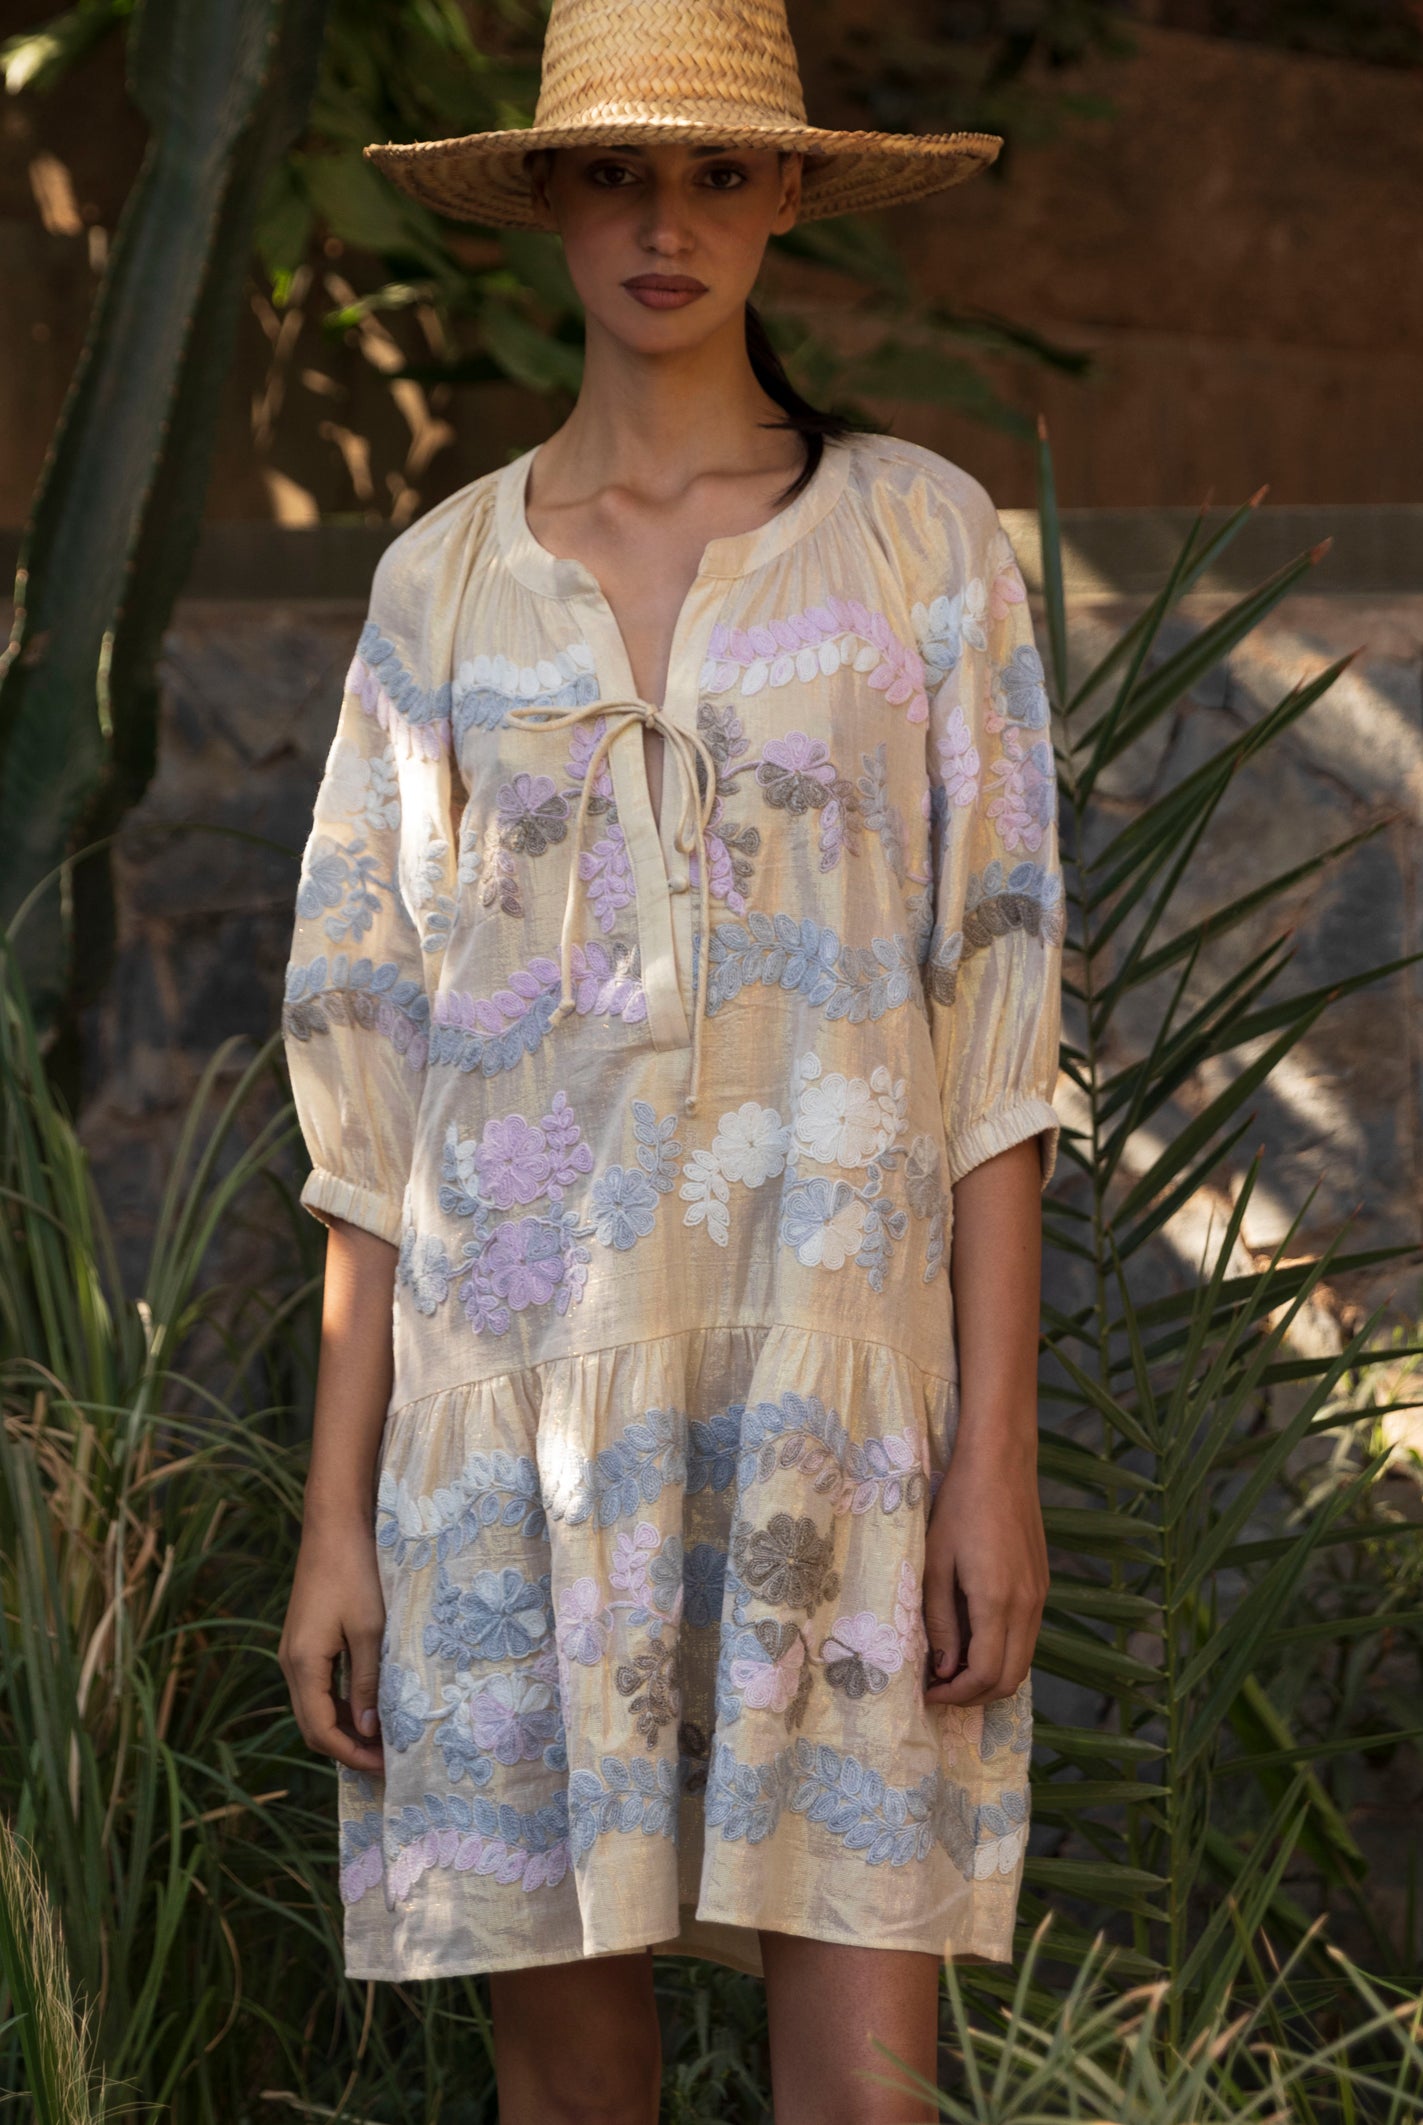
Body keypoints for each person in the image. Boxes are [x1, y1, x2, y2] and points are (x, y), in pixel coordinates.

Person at [277, 2, 1062, 2118]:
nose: (664, 222)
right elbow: (370, 1079)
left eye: (717, 171)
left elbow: (996, 1020)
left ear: (789, 189)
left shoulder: (921, 548)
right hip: (514, 1432)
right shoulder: (438, 589)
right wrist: (335, 1518)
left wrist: (992, 1451)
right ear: (545, 192)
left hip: (843, 1412)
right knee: (570, 2092)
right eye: (616, 171)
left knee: (866, 2092)